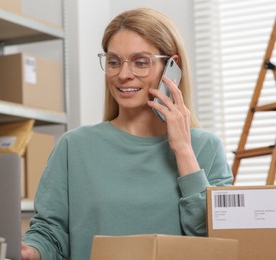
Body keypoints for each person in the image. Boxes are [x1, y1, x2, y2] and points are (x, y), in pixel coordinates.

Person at [21, 7, 233, 260]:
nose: (123, 75)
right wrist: (30, 251)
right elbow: (50, 233)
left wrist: (183, 151)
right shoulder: (74, 147)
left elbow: (214, 241)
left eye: (141, 62)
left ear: (171, 68)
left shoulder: (205, 148)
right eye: (113, 62)